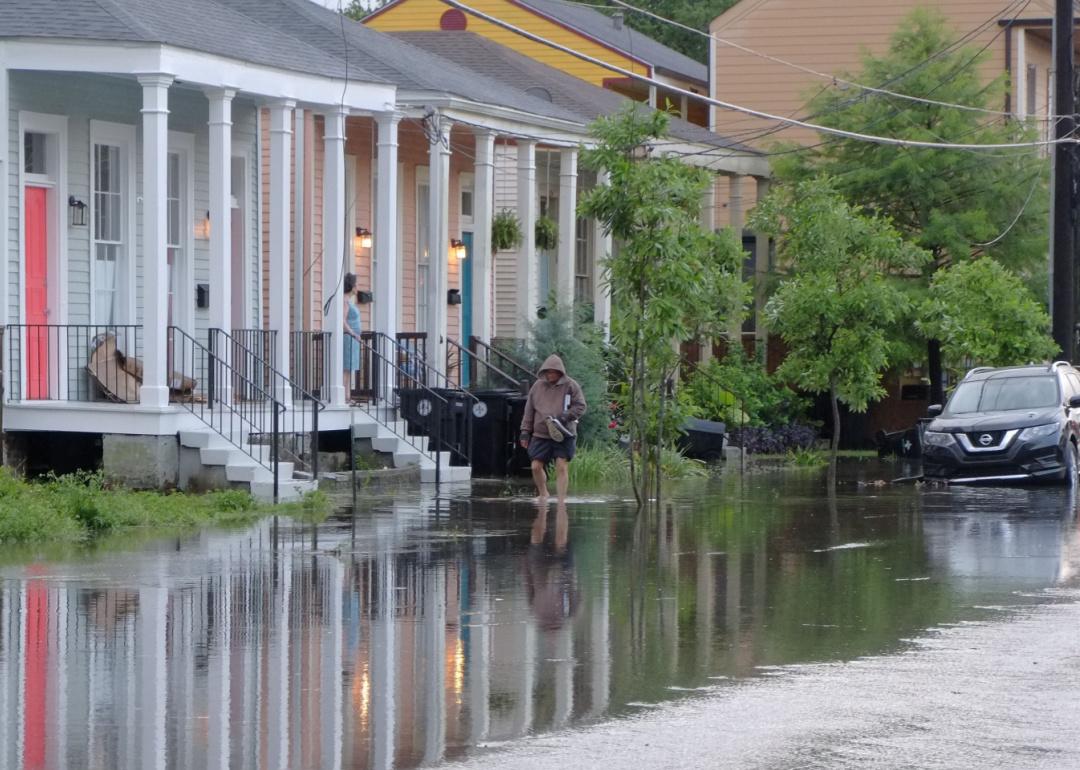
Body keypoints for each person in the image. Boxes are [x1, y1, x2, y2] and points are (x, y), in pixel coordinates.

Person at [519, 354, 586, 501]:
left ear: (560, 372)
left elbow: (580, 406)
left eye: (553, 372)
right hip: (541, 433)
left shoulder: (571, 385)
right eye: (547, 372)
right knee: (535, 466)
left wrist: (565, 416)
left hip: (564, 432)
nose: (550, 375)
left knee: (561, 466)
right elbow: (529, 410)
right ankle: (543, 494)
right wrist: (525, 432)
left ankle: (561, 500)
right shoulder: (537, 386)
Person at [343, 273, 363, 403]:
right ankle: (344, 397)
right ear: (351, 286)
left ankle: (348, 396)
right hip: (349, 338)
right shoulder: (344, 301)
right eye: (356, 284)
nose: (357, 287)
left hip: (354, 339)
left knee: (350, 368)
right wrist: (352, 333)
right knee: (346, 368)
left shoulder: (349, 301)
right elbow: (342, 321)